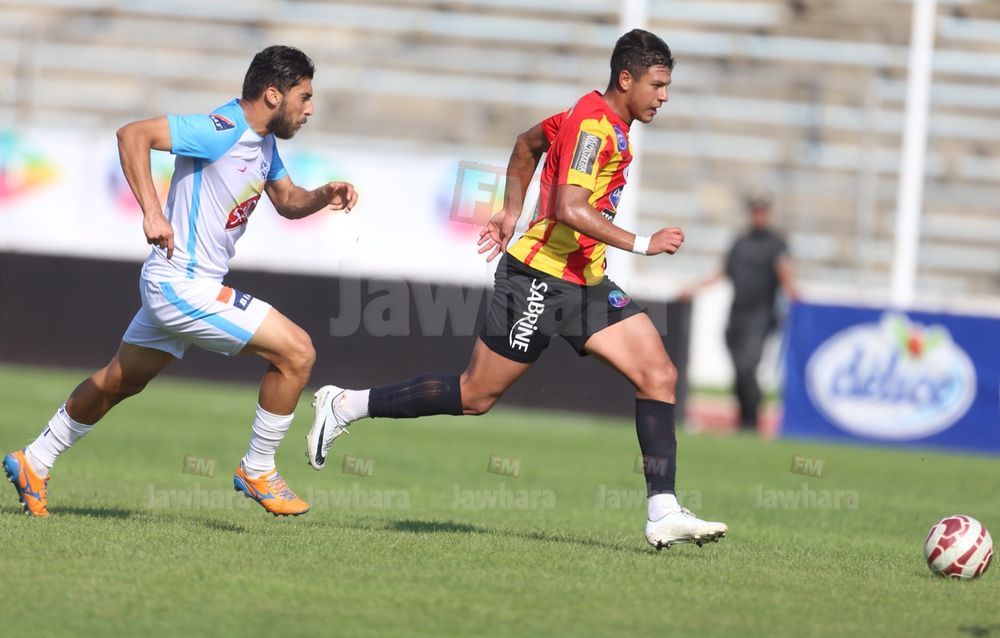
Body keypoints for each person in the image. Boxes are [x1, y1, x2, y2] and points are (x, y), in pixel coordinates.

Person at [306, 29, 727, 550]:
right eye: (658, 85)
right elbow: (569, 208)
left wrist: (510, 209)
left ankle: (662, 511)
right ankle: (345, 405)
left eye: (667, 86)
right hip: (539, 278)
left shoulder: (593, 119)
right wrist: (644, 243)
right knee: (474, 395)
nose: (664, 96)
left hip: (586, 280)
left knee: (658, 374)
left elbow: (527, 144)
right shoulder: (592, 127)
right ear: (626, 79)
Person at [3, 45, 358, 517]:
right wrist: (152, 212)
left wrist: (322, 194)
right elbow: (132, 135)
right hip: (182, 285)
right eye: (305, 97)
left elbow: (288, 200)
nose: (309, 109)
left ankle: (34, 459)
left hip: (180, 284)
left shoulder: (263, 143)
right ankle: (258, 468)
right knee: (297, 352)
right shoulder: (221, 128)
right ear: (274, 95)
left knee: (117, 382)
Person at [680, 192, 799, 432]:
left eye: (762, 211)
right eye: (755, 211)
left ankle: (751, 420)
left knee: (747, 367)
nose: (758, 216)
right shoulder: (740, 242)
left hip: (761, 316)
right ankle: (744, 418)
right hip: (736, 315)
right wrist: (694, 288)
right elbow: (722, 272)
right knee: (738, 369)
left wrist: (799, 303)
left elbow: (786, 276)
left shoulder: (777, 244)